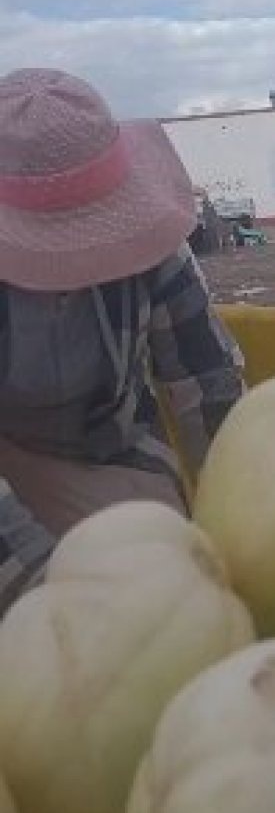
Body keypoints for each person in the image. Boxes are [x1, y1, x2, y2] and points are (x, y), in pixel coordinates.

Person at [0, 68, 245, 613]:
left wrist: (241, 527)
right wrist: (38, 589)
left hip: (104, 447)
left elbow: (207, 385)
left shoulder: (153, 243)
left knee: (166, 587)